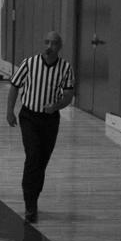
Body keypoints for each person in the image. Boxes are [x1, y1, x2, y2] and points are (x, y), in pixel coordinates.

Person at [6, 30, 75, 223]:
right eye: (46, 42)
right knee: (33, 156)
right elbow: (14, 86)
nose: (49, 46)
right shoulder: (29, 63)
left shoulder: (65, 68)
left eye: (53, 43)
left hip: (50, 120)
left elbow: (68, 95)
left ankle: (34, 197)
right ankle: (30, 204)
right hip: (29, 117)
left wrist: (57, 106)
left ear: (59, 47)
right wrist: (9, 110)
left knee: (42, 161)